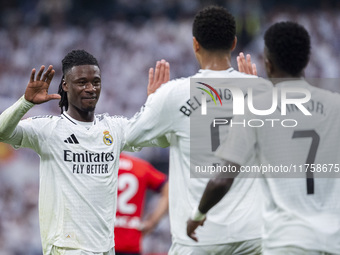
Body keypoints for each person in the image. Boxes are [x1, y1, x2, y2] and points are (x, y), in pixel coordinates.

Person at [126, 6, 271, 254]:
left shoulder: (173, 94)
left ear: (195, 44)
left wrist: (154, 103)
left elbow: (131, 138)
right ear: (234, 43)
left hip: (198, 241)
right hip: (252, 236)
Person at [188, 21, 340, 255]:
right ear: (307, 61)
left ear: (267, 63)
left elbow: (222, 179)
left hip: (287, 242)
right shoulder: (334, 105)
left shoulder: (256, 108)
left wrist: (198, 215)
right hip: (333, 242)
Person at [0, 50, 169, 255]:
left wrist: (156, 104)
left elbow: (158, 137)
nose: (91, 88)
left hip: (106, 248)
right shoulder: (48, 129)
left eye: (96, 82)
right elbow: (3, 132)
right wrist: (25, 103)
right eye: (82, 82)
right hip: (67, 248)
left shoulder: (114, 129)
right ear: (65, 85)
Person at [115, 153, 168, 255]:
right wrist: (152, 222)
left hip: (100, 243)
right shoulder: (139, 166)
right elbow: (168, 188)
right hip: (130, 244)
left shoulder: (98, 167)